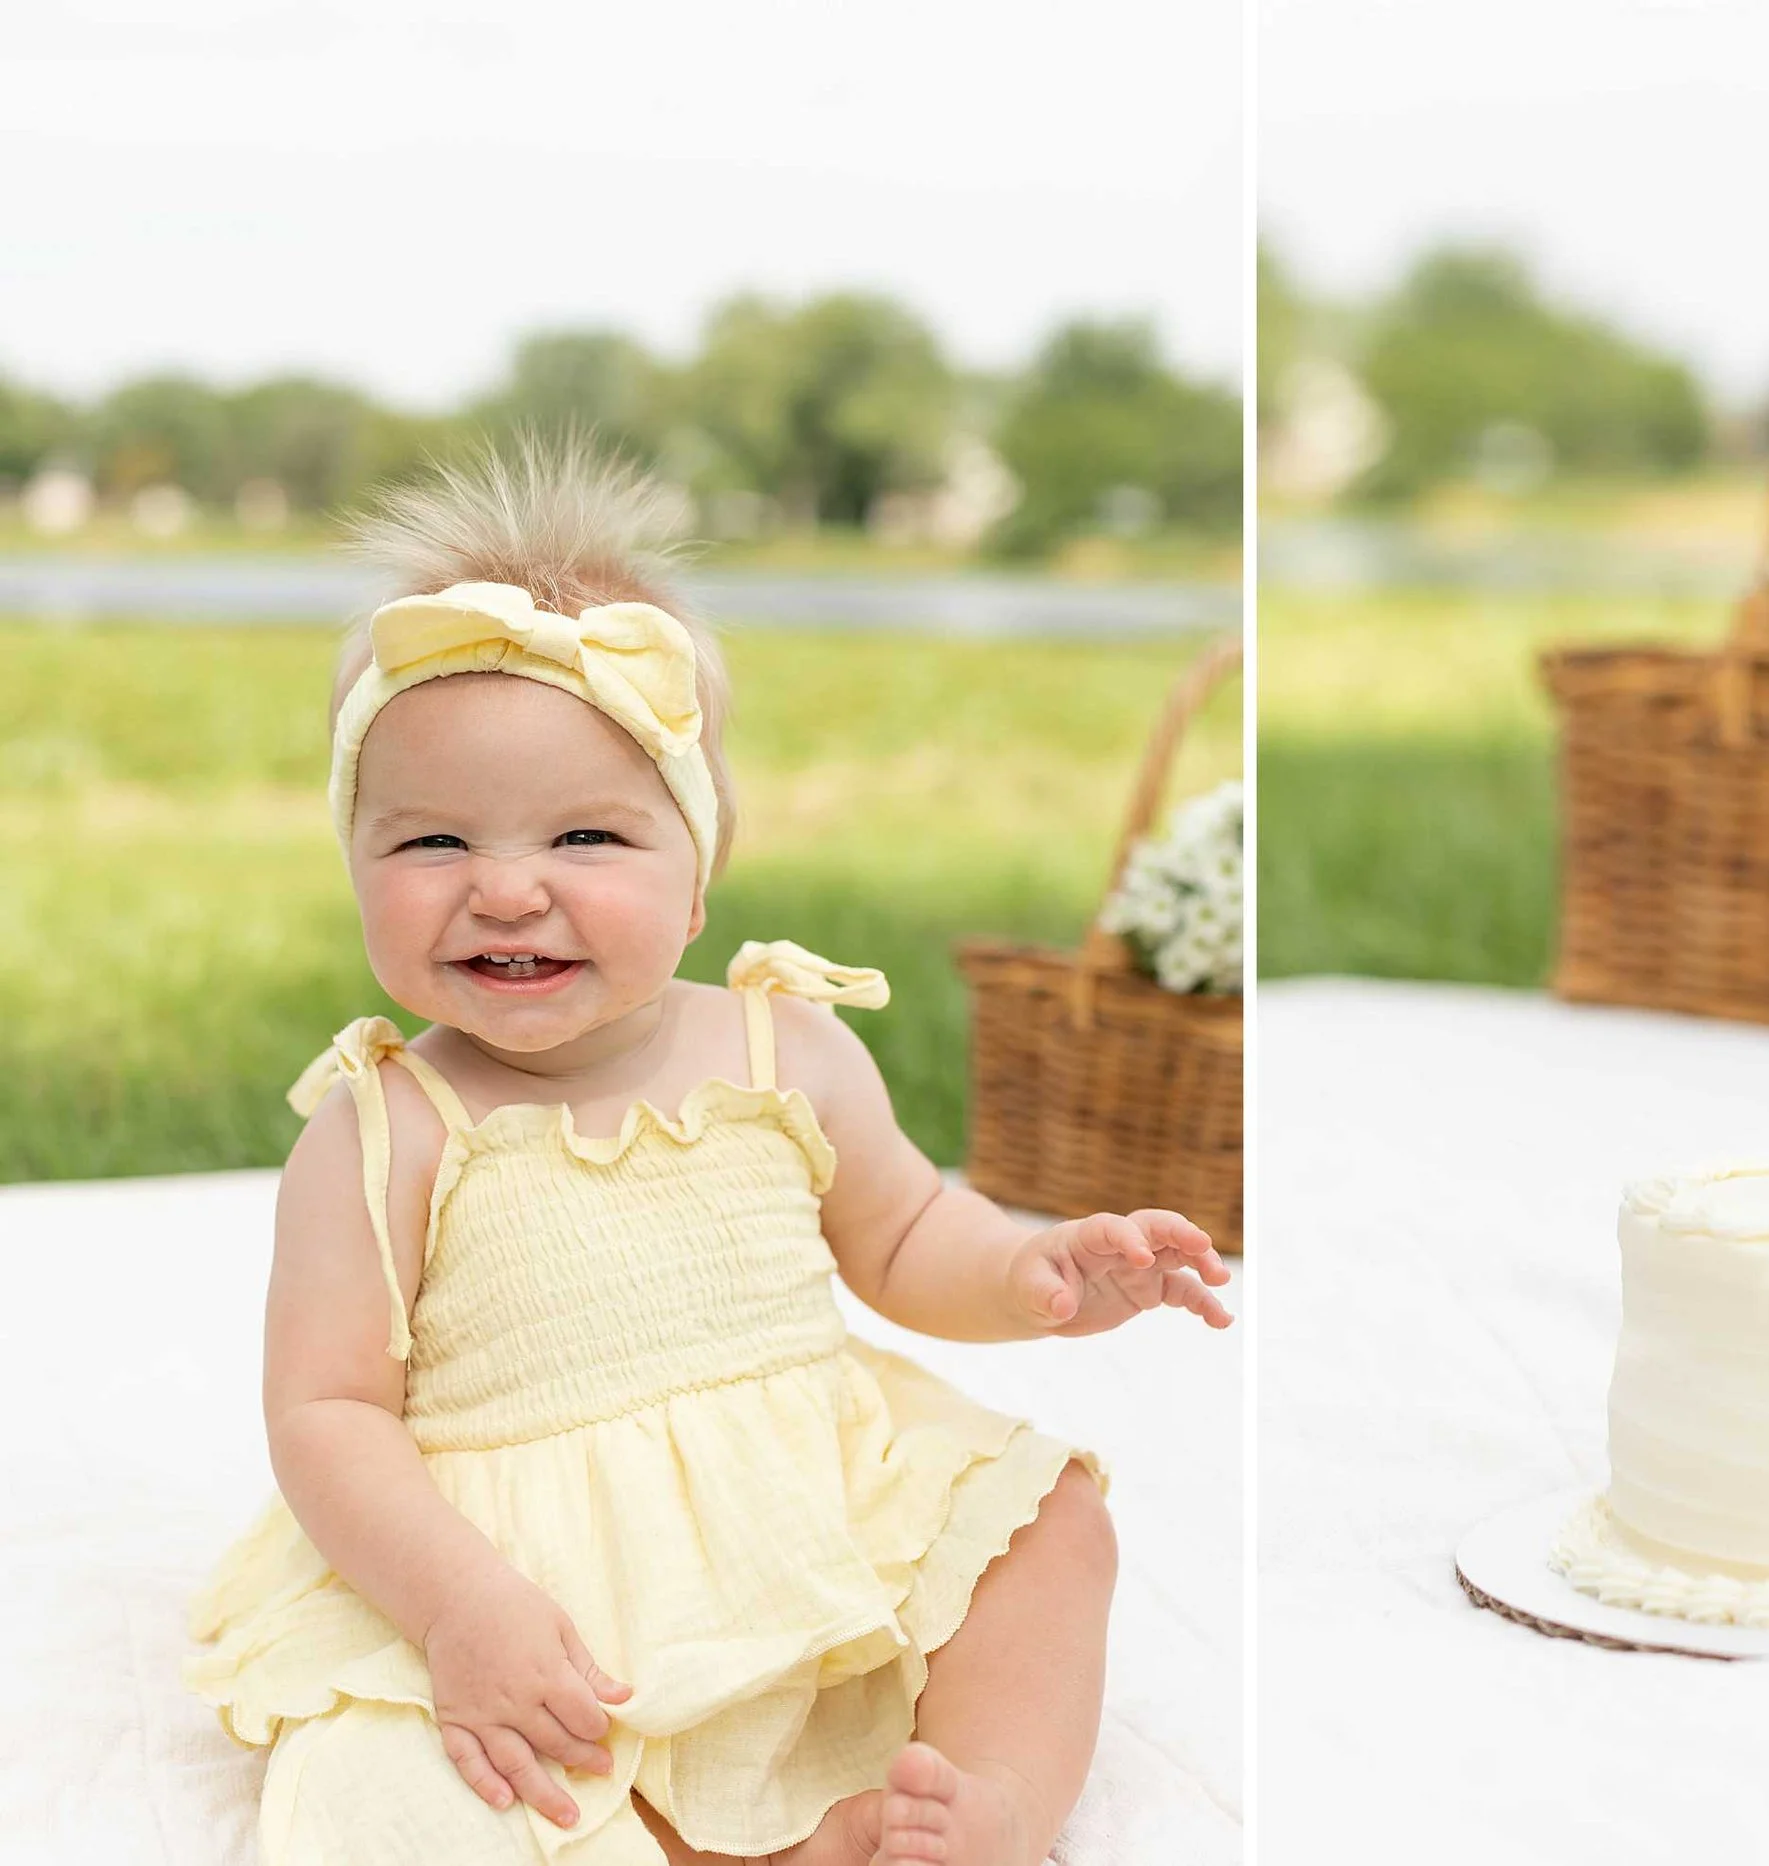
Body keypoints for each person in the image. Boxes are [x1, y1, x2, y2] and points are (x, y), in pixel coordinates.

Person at [180, 434, 1232, 1865]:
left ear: (698, 872)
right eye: (430, 840)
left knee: (1049, 1530)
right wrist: (455, 1607)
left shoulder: (781, 1049)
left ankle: (985, 1805)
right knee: (419, 1784)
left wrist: (1035, 1268)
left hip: (801, 1502)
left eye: (586, 834)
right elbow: (326, 1413)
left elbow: (911, 1231)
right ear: (352, 857)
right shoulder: (383, 1132)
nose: (506, 887)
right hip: (519, 1576)